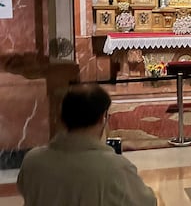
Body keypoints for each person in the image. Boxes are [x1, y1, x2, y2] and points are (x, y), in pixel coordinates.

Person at [17, 84, 157, 206]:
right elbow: (147, 202)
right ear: (103, 118)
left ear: (61, 117)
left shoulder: (32, 161)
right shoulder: (116, 168)